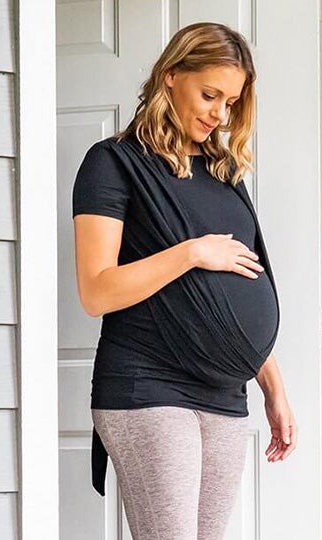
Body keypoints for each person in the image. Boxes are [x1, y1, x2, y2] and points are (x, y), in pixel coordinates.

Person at [72, 21, 298, 540]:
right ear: (171, 75)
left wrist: (274, 388)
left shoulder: (223, 173)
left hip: (224, 392)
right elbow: (95, 290)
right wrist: (192, 252)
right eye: (210, 94)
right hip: (148, 383)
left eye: (231, 101)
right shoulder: (112, 164)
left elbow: (235, 293)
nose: (220, 113)